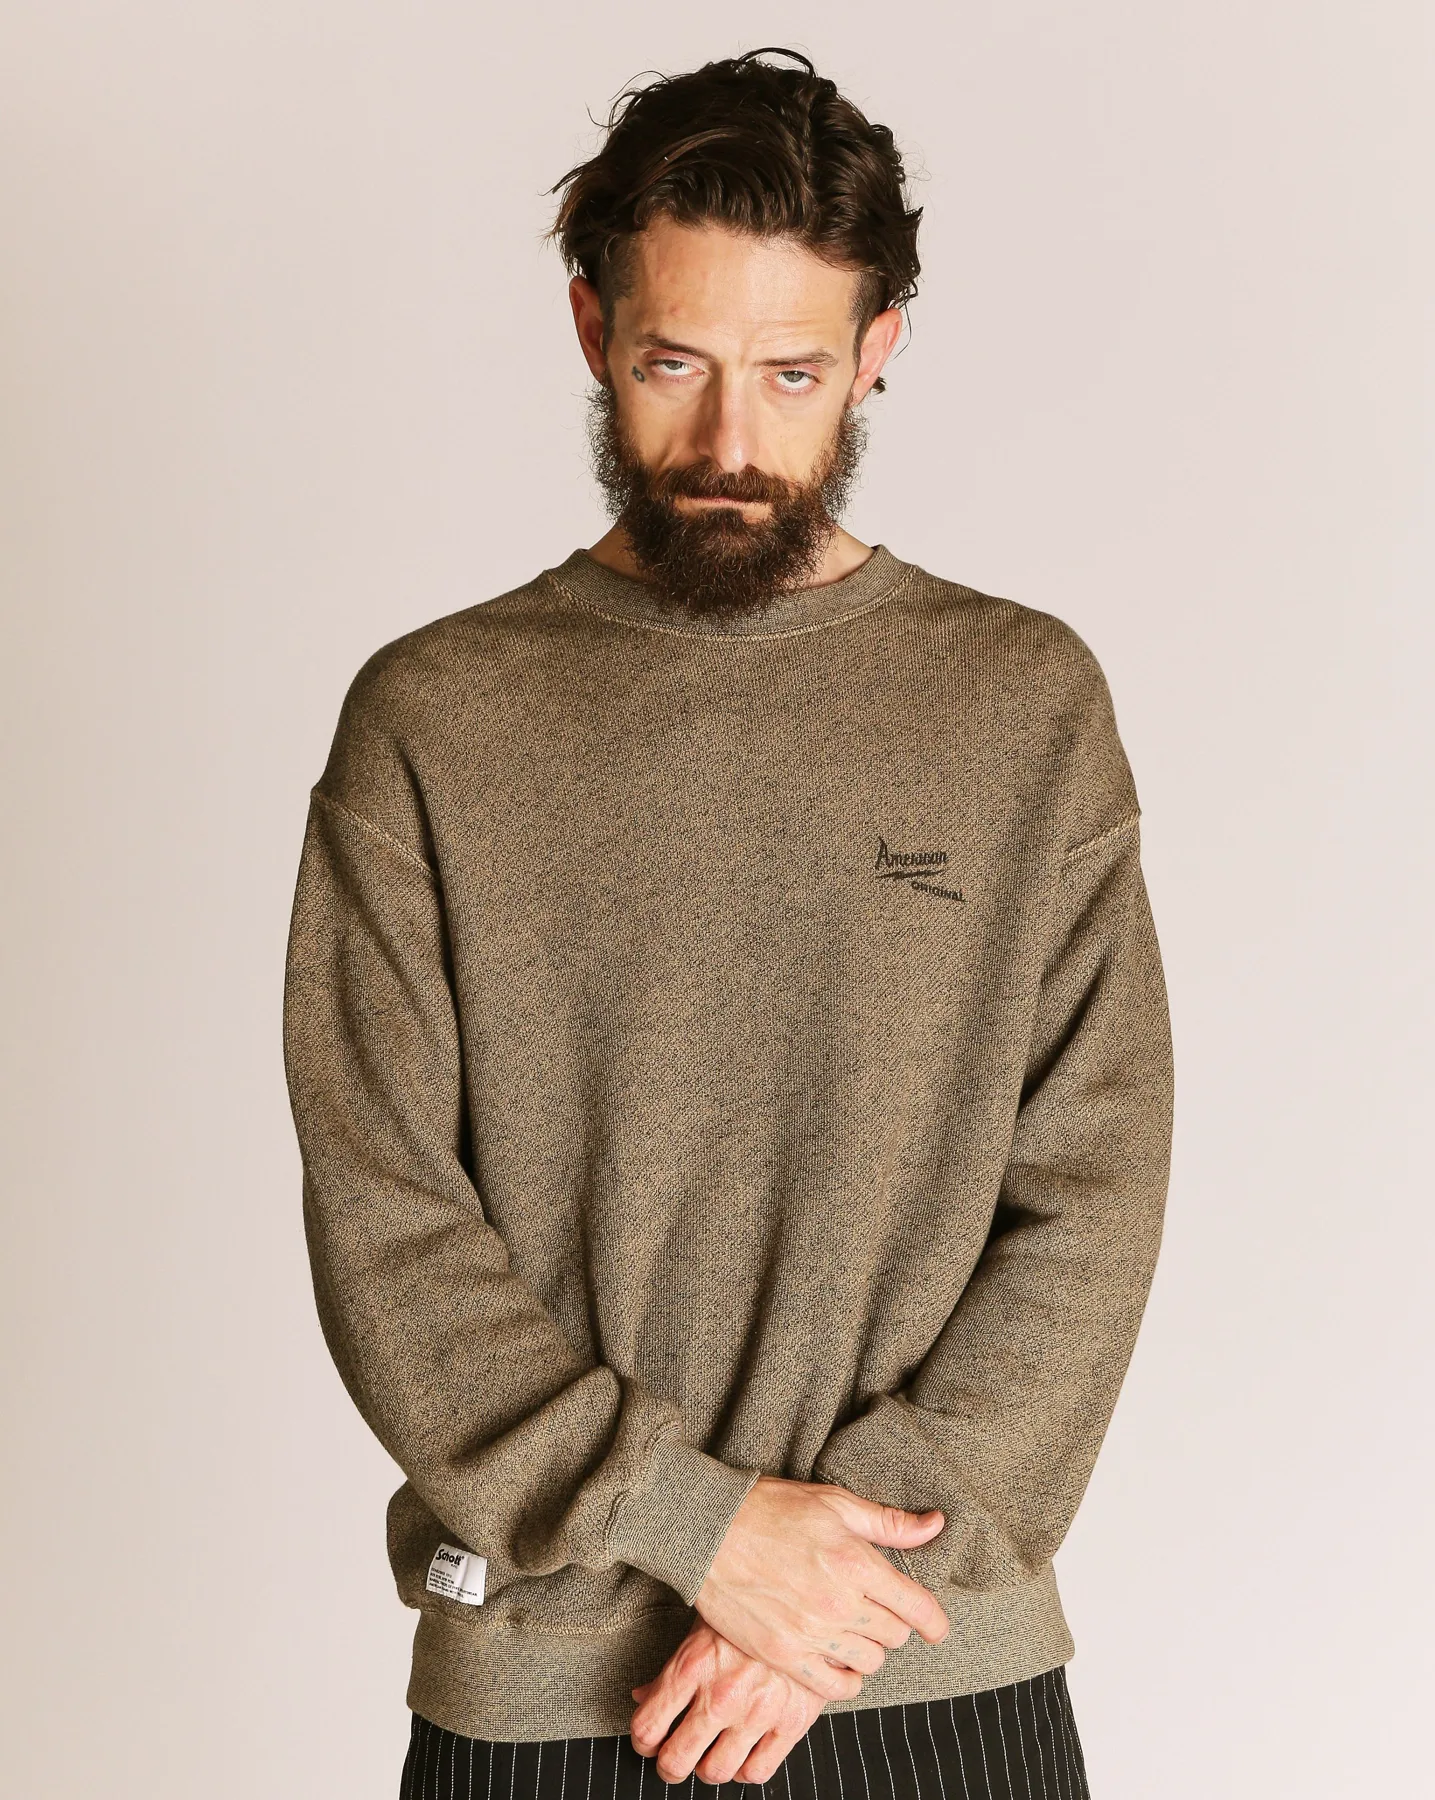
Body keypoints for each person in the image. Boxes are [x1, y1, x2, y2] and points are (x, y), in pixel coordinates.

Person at [281, 47, 1173, 1800]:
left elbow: (1095, 1186)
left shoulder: (1020, 707)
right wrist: (699, 1531)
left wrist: (835, 1591)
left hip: (926, 1661)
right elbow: (385, 1216)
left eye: (793, 373)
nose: (730, 445)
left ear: (878, 350)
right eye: (674, 363)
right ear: (591, 328)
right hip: (551, 1690)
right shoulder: (434, 721)